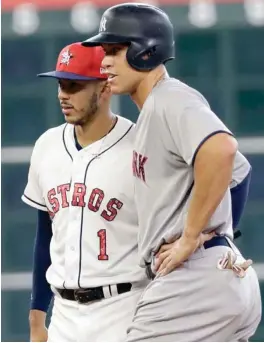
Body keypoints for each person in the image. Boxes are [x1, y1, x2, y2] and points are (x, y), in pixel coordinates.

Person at [83, 3, 262, 341]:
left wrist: (192, 238)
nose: (104, 61)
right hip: (220, 279)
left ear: (146, 51)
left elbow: (223, 150)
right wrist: (219, 241)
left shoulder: (169, 98)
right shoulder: (153, 112)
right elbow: (238, 175)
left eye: (115, 50)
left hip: (194, 283)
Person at [21, 42, 149, 342]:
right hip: (64, 316)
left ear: (104, 88)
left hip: (125, 309)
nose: (63, 95)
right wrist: (37, 317)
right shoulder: (47, 146)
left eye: (74, 85)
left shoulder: (141, 147)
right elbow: (46, 238)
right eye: (60, 84)